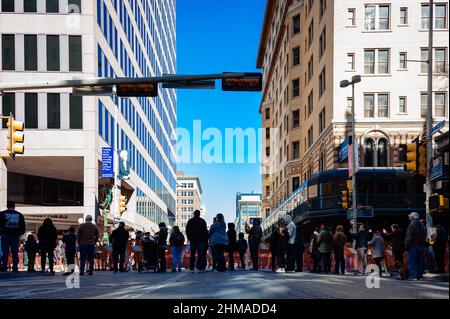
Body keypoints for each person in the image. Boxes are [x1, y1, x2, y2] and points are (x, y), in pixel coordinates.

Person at [0, 201, 26, 272]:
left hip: (5, 235)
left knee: (5, 252)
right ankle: (15, 267)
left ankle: (4, 267)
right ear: (14, 206)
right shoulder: (20, 215)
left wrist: (1, 232)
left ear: (7, 206)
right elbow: (23, 228)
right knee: (15, 252)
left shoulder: (2, 214)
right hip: (15, 236)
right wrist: (18, 234)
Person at [405, 212, 427, 280]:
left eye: (410, 216)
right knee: (419, 261)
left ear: (413, 217)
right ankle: (419, 275)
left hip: (412, 245)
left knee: (412, 261)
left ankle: (413, 276)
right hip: (420, 246)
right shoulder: (421, 224)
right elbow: (423, 236)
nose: (409, 218)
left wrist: (406, 245)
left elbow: (409, 236)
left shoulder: (412, 224)